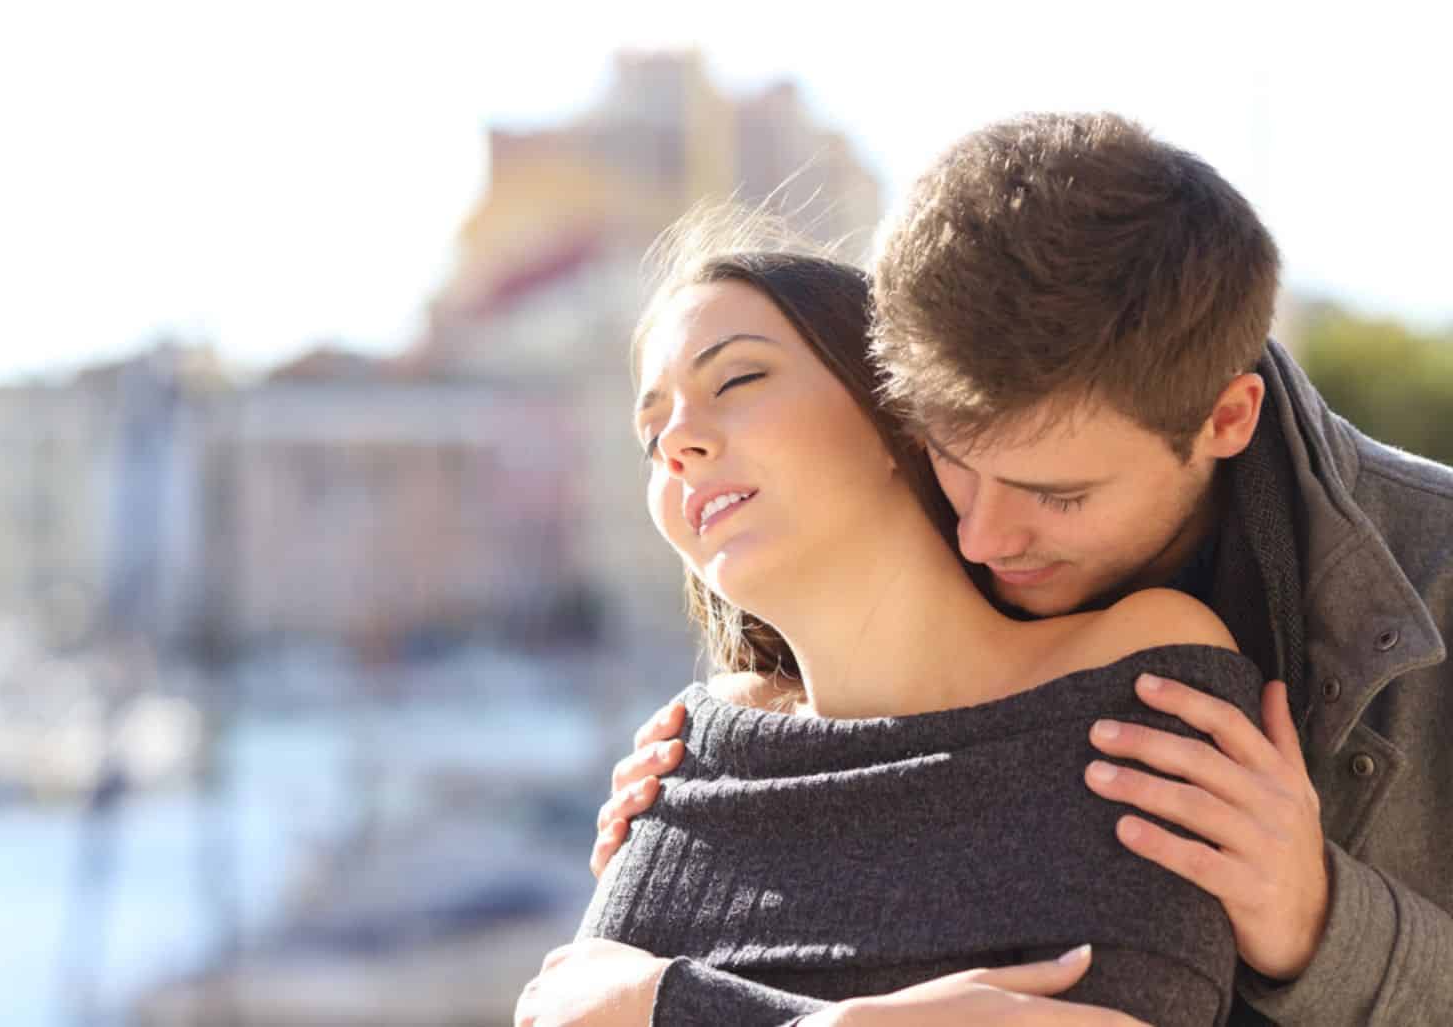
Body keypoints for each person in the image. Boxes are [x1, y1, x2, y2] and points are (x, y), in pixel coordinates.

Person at [580, 113, 1453, 1025]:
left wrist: (1321, 921)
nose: (982, 539)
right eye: (951, 460)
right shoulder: (711, 734)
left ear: (1227, 420)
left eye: (1056, 496)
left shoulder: (1425, 573)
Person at [515, 219, 1270, 1027]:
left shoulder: (1137, 667)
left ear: (898, 410)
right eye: (650, 431)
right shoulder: (688, 754)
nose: (678, 444)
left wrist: (667, 1003)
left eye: (735, 381)